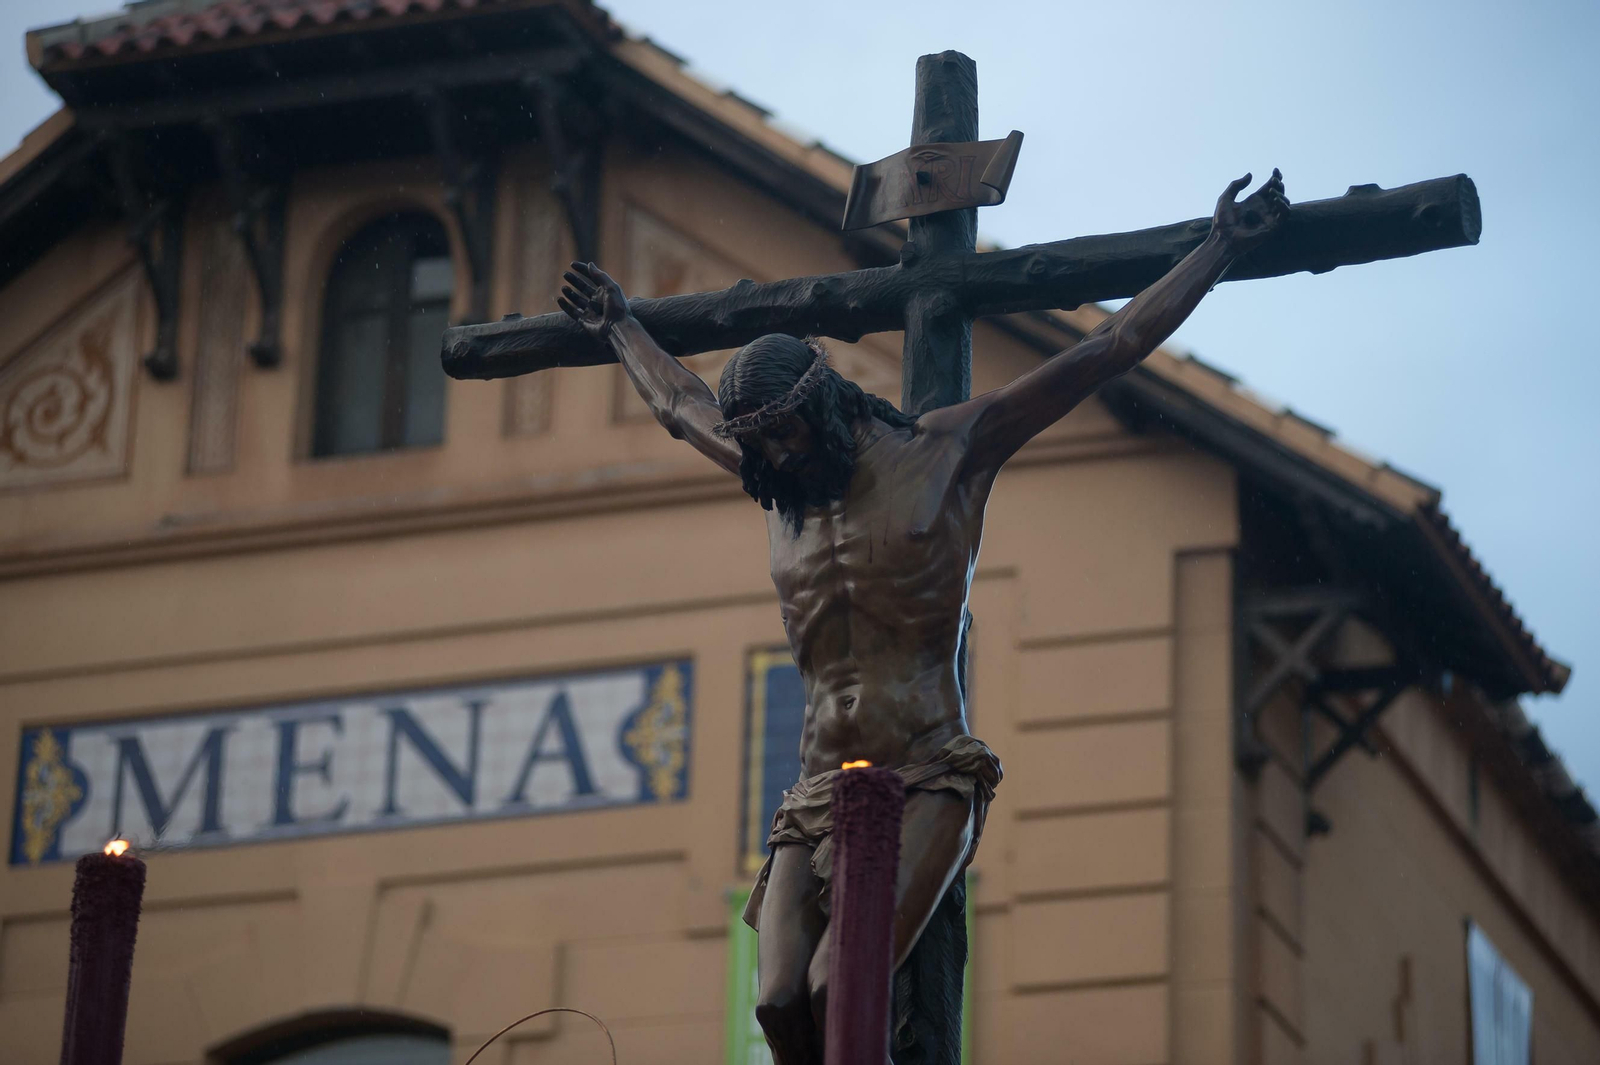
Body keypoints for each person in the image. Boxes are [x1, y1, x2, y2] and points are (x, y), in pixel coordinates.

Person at [558, 169, 1288, 1064]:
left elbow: (1108, 347)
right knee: (782, 1003)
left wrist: (1215, 250)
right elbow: (680, 404)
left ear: (821, 405)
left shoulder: (946, 452)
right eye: (760, 446)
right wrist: (620, 326)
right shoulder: (775, 483)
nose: (775, 458)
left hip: (928, 773)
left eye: (785, 434)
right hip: (818, 788)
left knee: (840, 983)